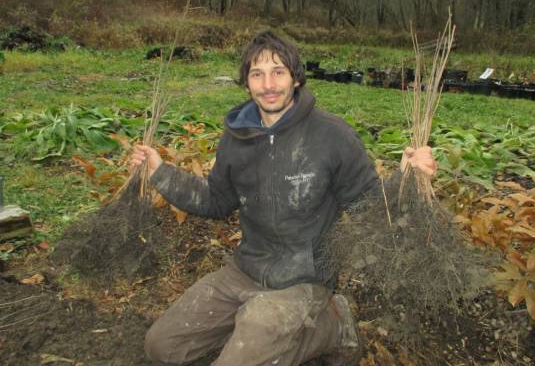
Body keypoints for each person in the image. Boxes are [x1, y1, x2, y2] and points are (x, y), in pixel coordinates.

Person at [130, 31, 436, 366]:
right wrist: (160, 171)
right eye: (257, 74)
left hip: (304, 280)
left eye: (278, 72)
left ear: (295, 78)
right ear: (246, 83)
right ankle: (258, 326)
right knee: (160, 346)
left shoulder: (332, 135)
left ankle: (334, 324)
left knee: (246, 348)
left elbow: (368, 205)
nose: (269, 84)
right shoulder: (236, 139)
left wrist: (404, 180)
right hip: (246, 270)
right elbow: (216, 199)